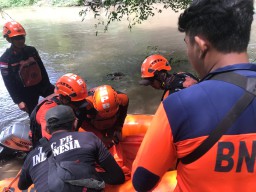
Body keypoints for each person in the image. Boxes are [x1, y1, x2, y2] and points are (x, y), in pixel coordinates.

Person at [132, 0, 256, 191]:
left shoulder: (176, 106)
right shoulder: (185, 82)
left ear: (200, 45)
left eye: (187, 44)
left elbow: (141, 181)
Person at [18, 105, 125, 192]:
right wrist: (90, 174)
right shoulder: (88, 138)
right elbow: (117, 177)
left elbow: (22, 186)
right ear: (75, 123)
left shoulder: (32, 155)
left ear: (47, 129)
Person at [0, 21, 54, 115]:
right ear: (9, 39)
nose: (21, 40)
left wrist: (49, 86)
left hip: (41, 85)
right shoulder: (5, 59)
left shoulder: (31, 50)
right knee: (34, 115)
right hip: (25, 92)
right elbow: (8, 82)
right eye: (17, 38)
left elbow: (42, 69)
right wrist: (18, 101)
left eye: (22, 37)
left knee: (59, 100)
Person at [30, 73, 89, 147]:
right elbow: (50, 140)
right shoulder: (48, 111)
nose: (78, 107)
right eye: (76, 103)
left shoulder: (68, 100)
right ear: (64, 99)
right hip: (43, 141)